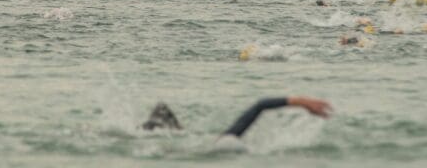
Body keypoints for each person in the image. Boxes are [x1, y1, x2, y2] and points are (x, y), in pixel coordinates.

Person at [142, 96, 332, 138]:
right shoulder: (225, 145)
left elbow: (259, 106)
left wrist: (301, 102)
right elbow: (260, 106)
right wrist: (302, 101)